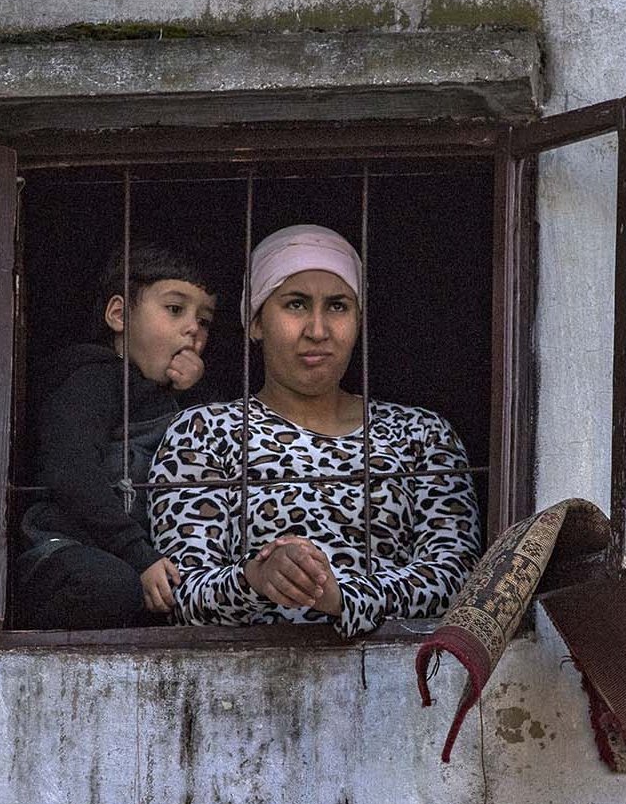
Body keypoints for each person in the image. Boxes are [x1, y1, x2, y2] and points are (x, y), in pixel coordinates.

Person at [148, 224, 481, 637]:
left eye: (338, 306)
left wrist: (341, 596)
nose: (318, 330)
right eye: (296, 305)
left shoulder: (422, 435)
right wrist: (256, 578)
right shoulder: (205, 432)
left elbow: (458, 579)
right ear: (255, 322)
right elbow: (179, 595)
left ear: (358, 321)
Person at [16, 244, 217, 628]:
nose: (193, 328)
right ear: (119, 314)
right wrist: (139, 555)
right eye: (175, 309)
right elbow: (69, 471)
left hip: (133, 560)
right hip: (61, 549)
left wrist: (188, 396)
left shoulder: (182, 405)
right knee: (111, 586)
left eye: (204, 320)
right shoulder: (92, 379)